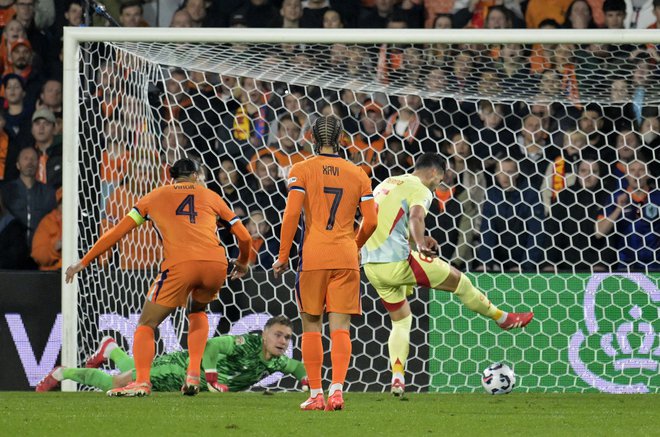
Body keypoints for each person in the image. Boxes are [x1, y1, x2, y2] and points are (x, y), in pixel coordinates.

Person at [64, 158, 252, 397]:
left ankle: (142, 381)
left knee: (146, 324)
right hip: (216, 264)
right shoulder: (211, 196)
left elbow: (116, 233)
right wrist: (243, 262)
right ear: (196, 175)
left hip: (181, 264)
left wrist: (84, 261)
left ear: (170, 175)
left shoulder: (154, 197)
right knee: (197, 311)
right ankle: (193, 375)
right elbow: (245, 237)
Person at [361, 153, 534, 396]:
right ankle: (502, 318)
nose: (439, 184)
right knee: (460, 282)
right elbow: (416, 216)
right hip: (398, 262)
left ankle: (397, 377)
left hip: (370, 264)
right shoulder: (420, 188)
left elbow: (386, 221)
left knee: (401, 320)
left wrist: (416, 238)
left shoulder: (388, 182)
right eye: (441, 179)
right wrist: (420, 243)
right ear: (434, 173)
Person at [272, 115, 378, 411]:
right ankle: (337, 391)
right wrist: (354, 246)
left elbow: (291, 215)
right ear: (343, 138)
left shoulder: (302, 169)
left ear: (311, 138)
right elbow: (371, 221)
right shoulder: (358, 173)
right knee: (341, 328)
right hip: (345, 257)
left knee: (311, 326)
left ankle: (316, 393)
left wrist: (282, 256)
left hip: (314, 257)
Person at [36, 316, 309, 394]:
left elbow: (296, 367)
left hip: (194, 385)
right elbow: (211, 347)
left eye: (287, 338)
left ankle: (110, 348)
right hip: (182, 370)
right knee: (119, 383)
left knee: (137, 368)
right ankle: (62, 373)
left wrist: (309, 382)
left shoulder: (276, 360)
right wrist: (212, 377)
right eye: (278, 335)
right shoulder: (246, 343)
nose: (283, 341)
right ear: (264, 334)